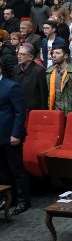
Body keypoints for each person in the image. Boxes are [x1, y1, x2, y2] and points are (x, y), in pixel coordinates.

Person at [0, 63, 28, 215]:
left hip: (11, 135)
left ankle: (23, 200)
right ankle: (7, 198)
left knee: (16, 169)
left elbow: (20, 112)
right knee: (2, 170)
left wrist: (16, 134)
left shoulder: (11, 86)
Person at [12, 43, 47, 111]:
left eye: (22, 54)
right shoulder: (16, 68)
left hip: (34, 110)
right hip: (18, 108)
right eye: (18, 54)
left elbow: (43, 94)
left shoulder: (39, 71)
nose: (19, 56)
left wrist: (43, 111)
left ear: (30, 57)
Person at [46, 47, 72, 113]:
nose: (54, 55)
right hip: (54, 110)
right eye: (53, 53)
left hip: (69, 110)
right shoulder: (49, 72)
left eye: (57, 53)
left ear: (66, 56)